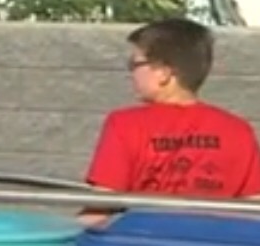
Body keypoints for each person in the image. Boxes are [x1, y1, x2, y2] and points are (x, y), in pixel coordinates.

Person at [83, 17, 259, 220]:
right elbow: (254, 210)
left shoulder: (124, 125)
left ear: (164, 73)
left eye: (135, 64)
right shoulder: (238, 131)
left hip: (142, 238)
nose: (131, 73)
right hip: (215, 239)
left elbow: (99, 212)